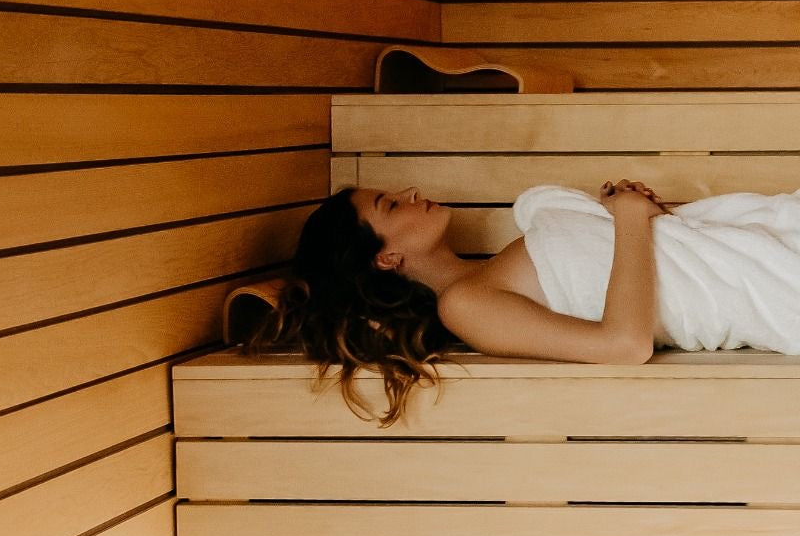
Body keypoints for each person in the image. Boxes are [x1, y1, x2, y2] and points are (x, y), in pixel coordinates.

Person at [249, 179, 800, 426]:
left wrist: (646, 217)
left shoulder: (499, 264)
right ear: (386, 259)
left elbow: (662, 259)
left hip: (757, 248)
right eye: (392, 205)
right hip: (763, 288)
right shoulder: (467, 306)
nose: (413, 193)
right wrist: (629, 219)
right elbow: (623, 344)